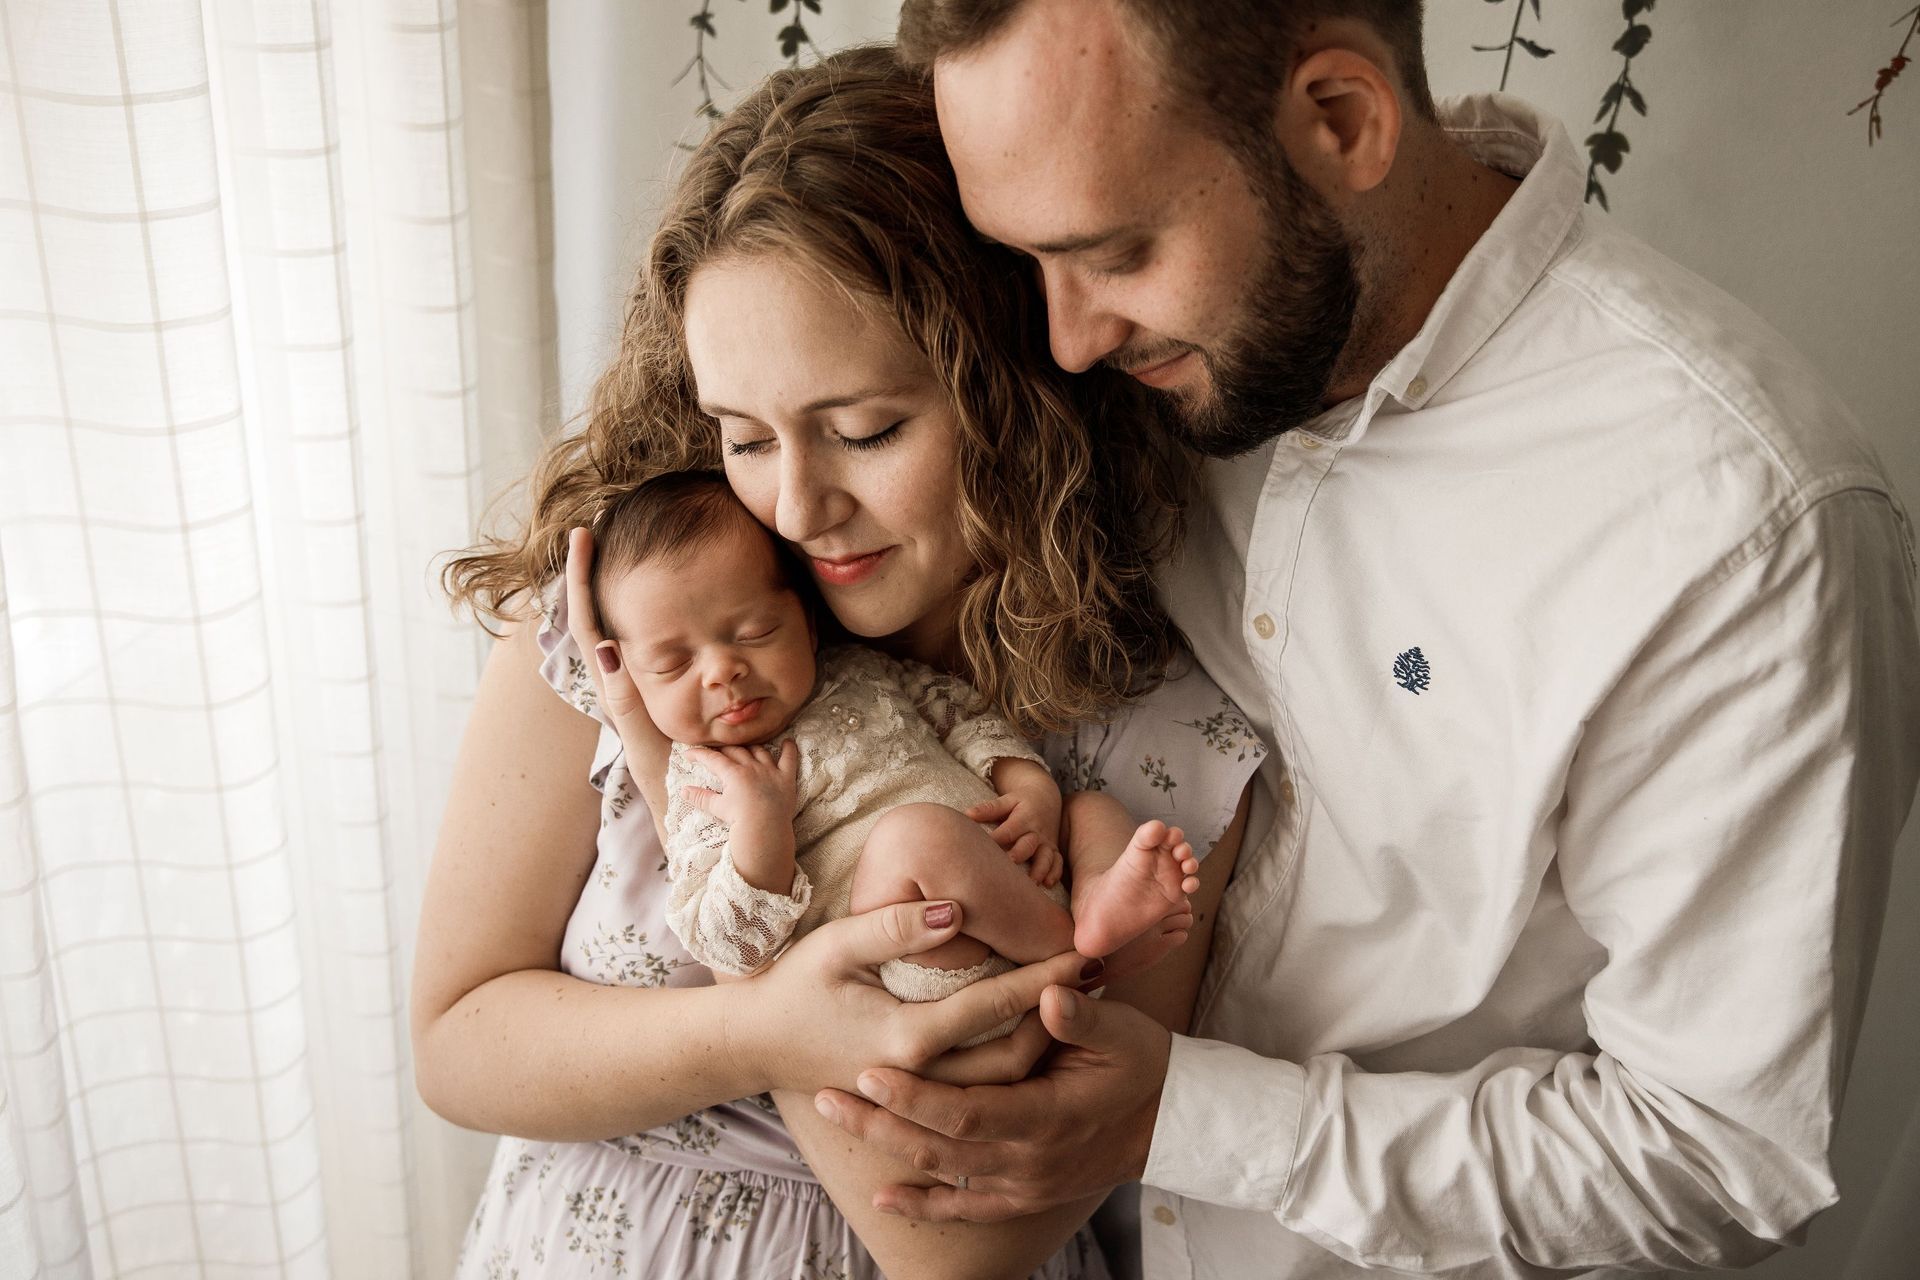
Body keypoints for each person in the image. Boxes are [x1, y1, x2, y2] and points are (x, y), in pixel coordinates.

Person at [812, 2, 1920, 1277]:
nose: (1066, 336)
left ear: (1342, 120)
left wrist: (1178, 1117)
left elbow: (1717, 1152)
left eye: (1115, 250)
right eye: (1029, 263)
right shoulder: (1122, 374)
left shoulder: (1741, 521)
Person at [413, 45, 1262, 1280]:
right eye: (743, 436)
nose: (797, 506)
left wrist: (675, 773)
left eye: (864, 431)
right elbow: (456, 1042)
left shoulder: (1164, 741)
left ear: (1021, 394)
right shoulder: (623, 623)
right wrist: (761, 1020)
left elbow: (943, 1244)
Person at [584, 469, 1203, 1007]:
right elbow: (731, 945)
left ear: (805, 618)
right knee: (917, 837)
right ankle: (1080, 958)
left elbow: (966, 718)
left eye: (754, 631)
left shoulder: (862, 672)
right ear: (629, 674)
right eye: (671, 664)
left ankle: (1096, 909)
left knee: (1091, 809)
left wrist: (1030, 791)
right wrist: (759, 829)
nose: (722, 671)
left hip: (1017, 873)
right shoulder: (704, 785)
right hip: (919, 962)